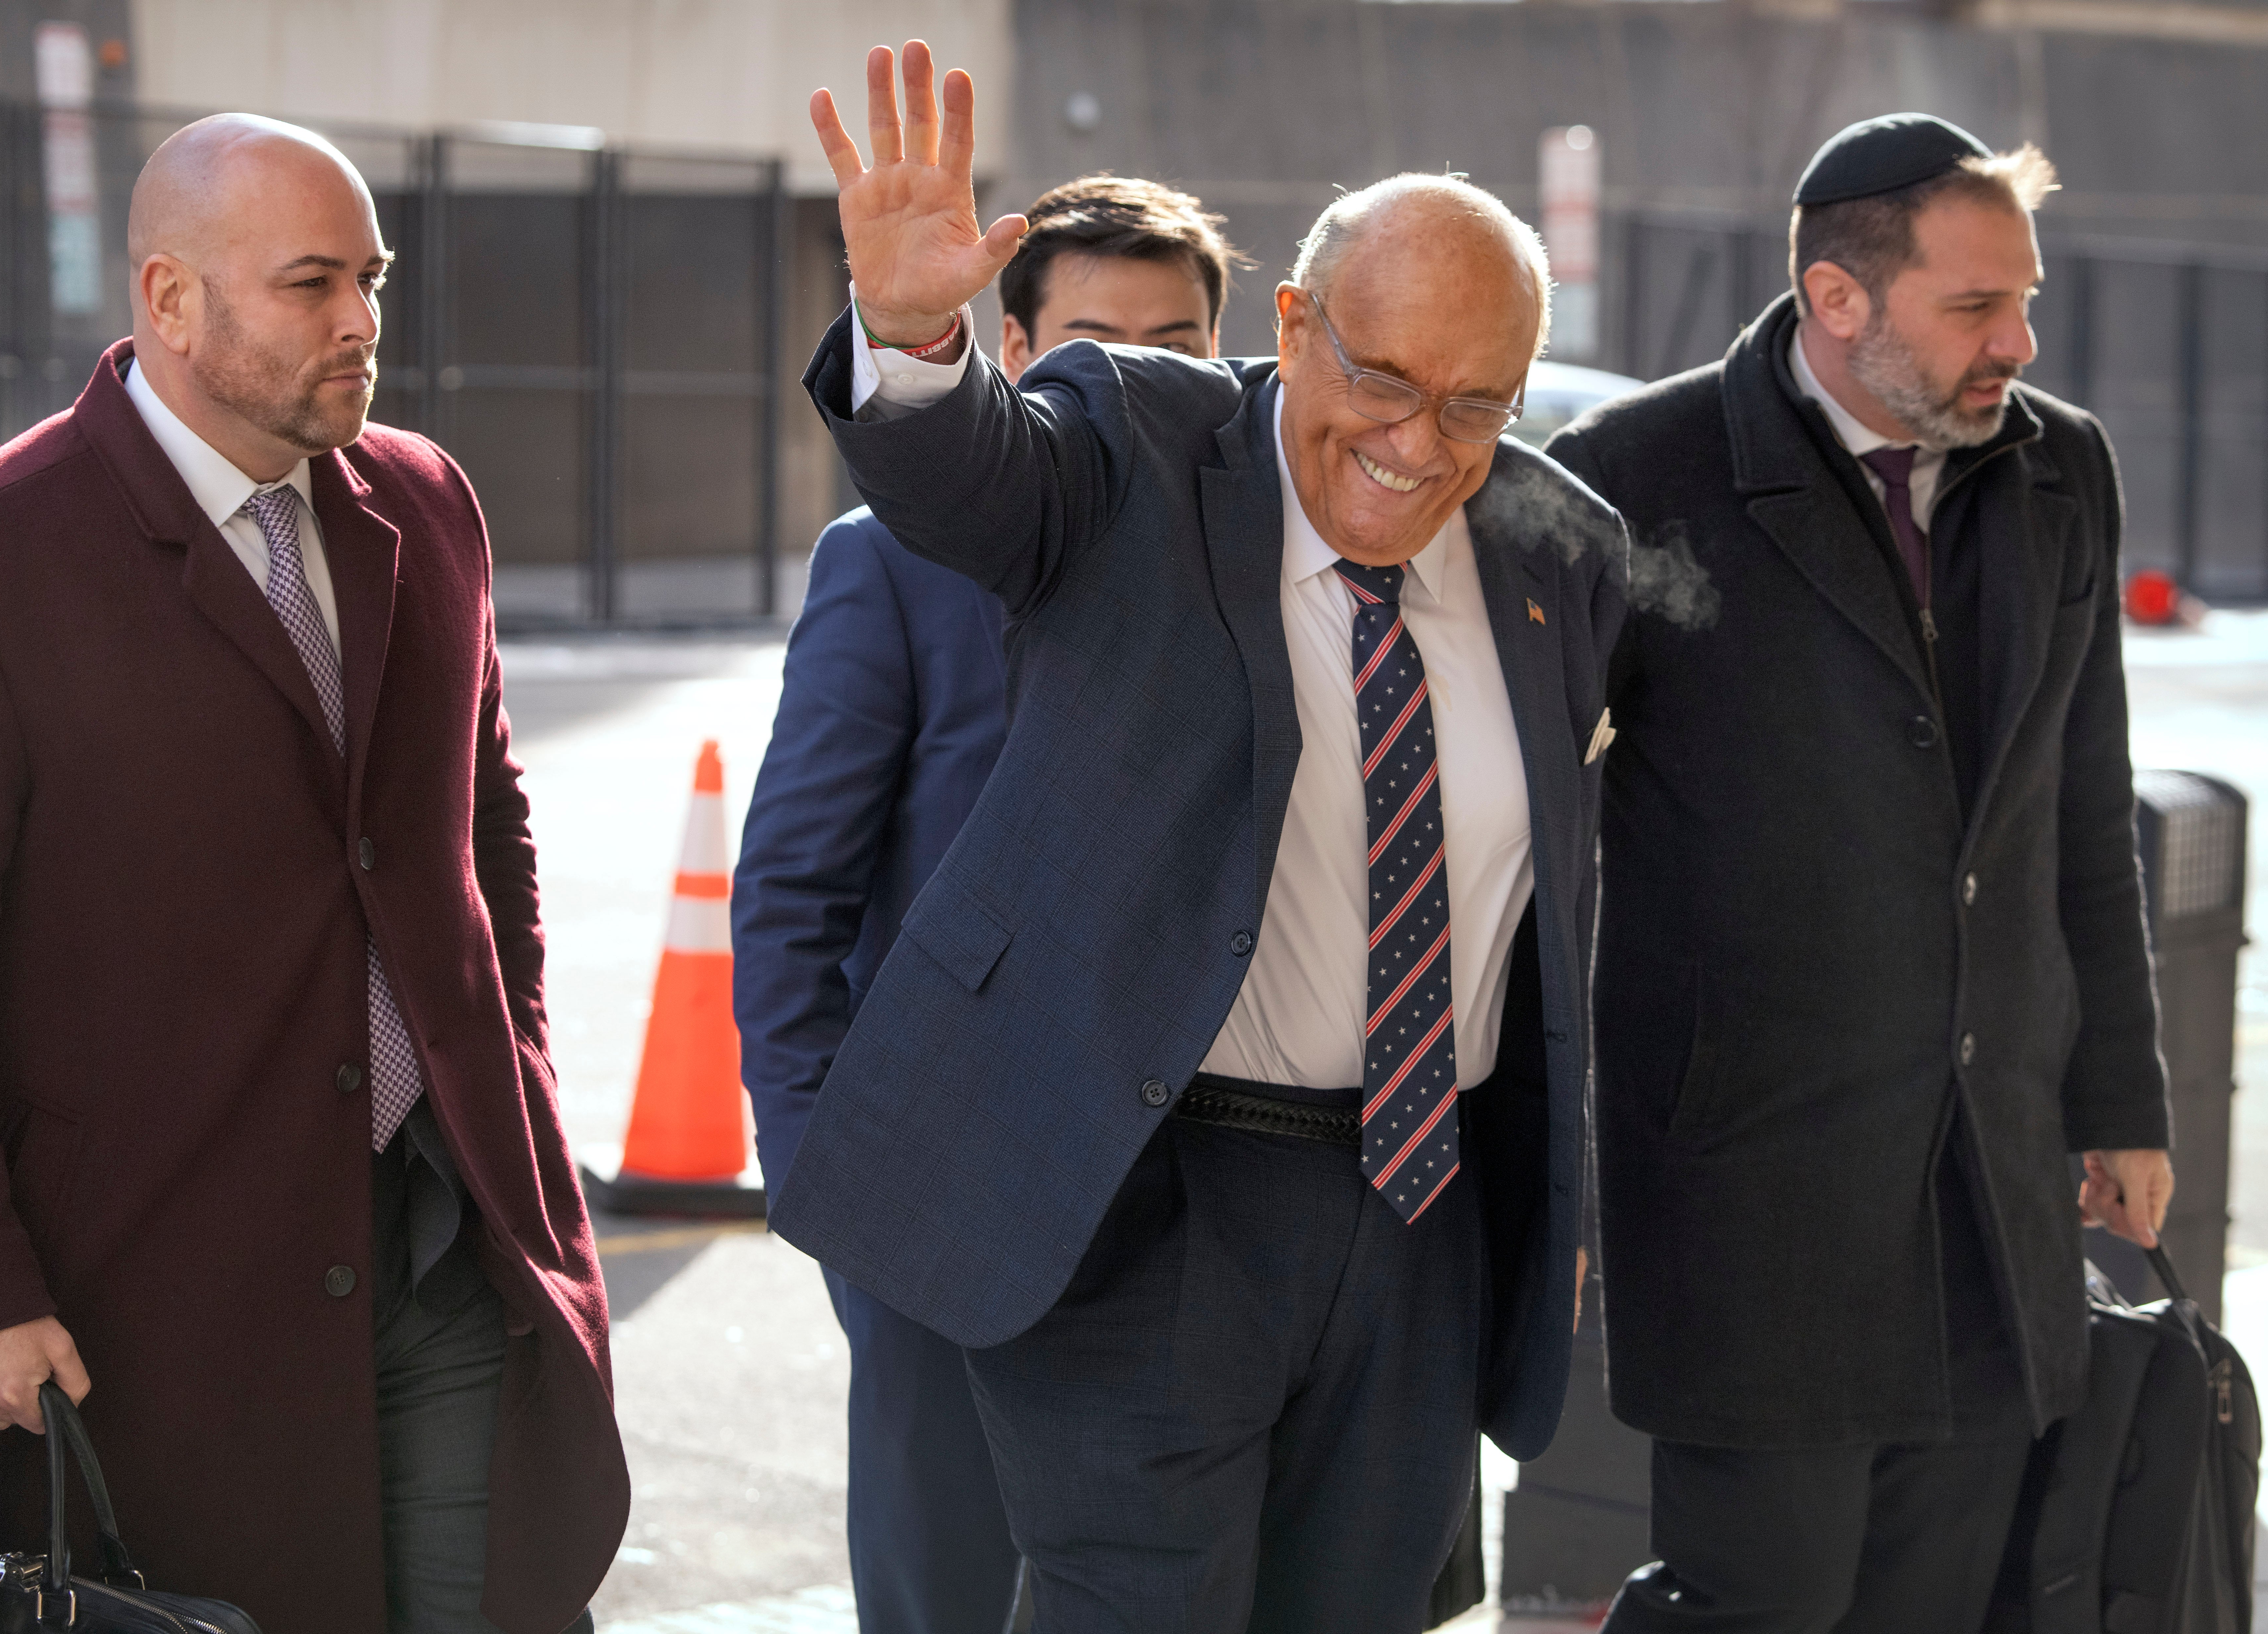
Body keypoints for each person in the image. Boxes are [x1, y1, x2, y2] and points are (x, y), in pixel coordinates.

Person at [772, 43, 1624, 1630]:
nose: (1420, 443)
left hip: (1420, 1214)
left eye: (1475, 404)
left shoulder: (1555, 553)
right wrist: (908, 335)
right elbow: (971, 484)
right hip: (1146, 1195)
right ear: (1292, 327)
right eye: (1380, 379)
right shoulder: (1139, 440)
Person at [0, 114, 625, 1634]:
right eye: (312, 283)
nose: (363, 323)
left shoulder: (426, 500)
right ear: (171, 300)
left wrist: (504, 1072)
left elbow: (483, 822)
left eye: (371, 279)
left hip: (452, 1231)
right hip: (154, 1291)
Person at [1545, 114, 2174, 1629]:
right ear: (1837, 299)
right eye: (1973, 307)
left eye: (2020, 300)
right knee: (1754, 1600)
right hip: (1749, 1183)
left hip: (1993, 1166)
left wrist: (2118, 1102)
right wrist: (1545, 1167)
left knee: (1938, 1603)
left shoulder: (2058, 470)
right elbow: (1533, 848)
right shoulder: (1630, 474)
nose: (2015, 340)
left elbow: (2078, 805)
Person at [735, 175, 1236, 1634]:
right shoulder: (890, 563)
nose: (1145, 378)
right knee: (945, 1588)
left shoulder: (1272, 564)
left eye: (1180, 343)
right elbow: (790, 896)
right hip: (940, 1208)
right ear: (1015, 353)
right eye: (1099, 340)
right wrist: (830, 1172)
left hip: (1200, 1206)